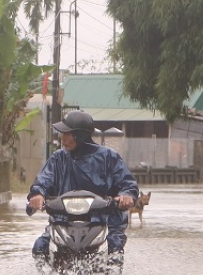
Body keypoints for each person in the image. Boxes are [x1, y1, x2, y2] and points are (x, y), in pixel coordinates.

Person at [26, 110, 140, 259]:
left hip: (102, 222)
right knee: (40, 248)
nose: (62, 138)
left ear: (80, 135)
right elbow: (44, 179)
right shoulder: (57, 158)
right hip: (63, 222)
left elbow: (127, 183)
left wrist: (126, 195)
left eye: (67, 134)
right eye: (62, 133)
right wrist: (38, 194)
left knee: (114, 250)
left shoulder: (108, 157)